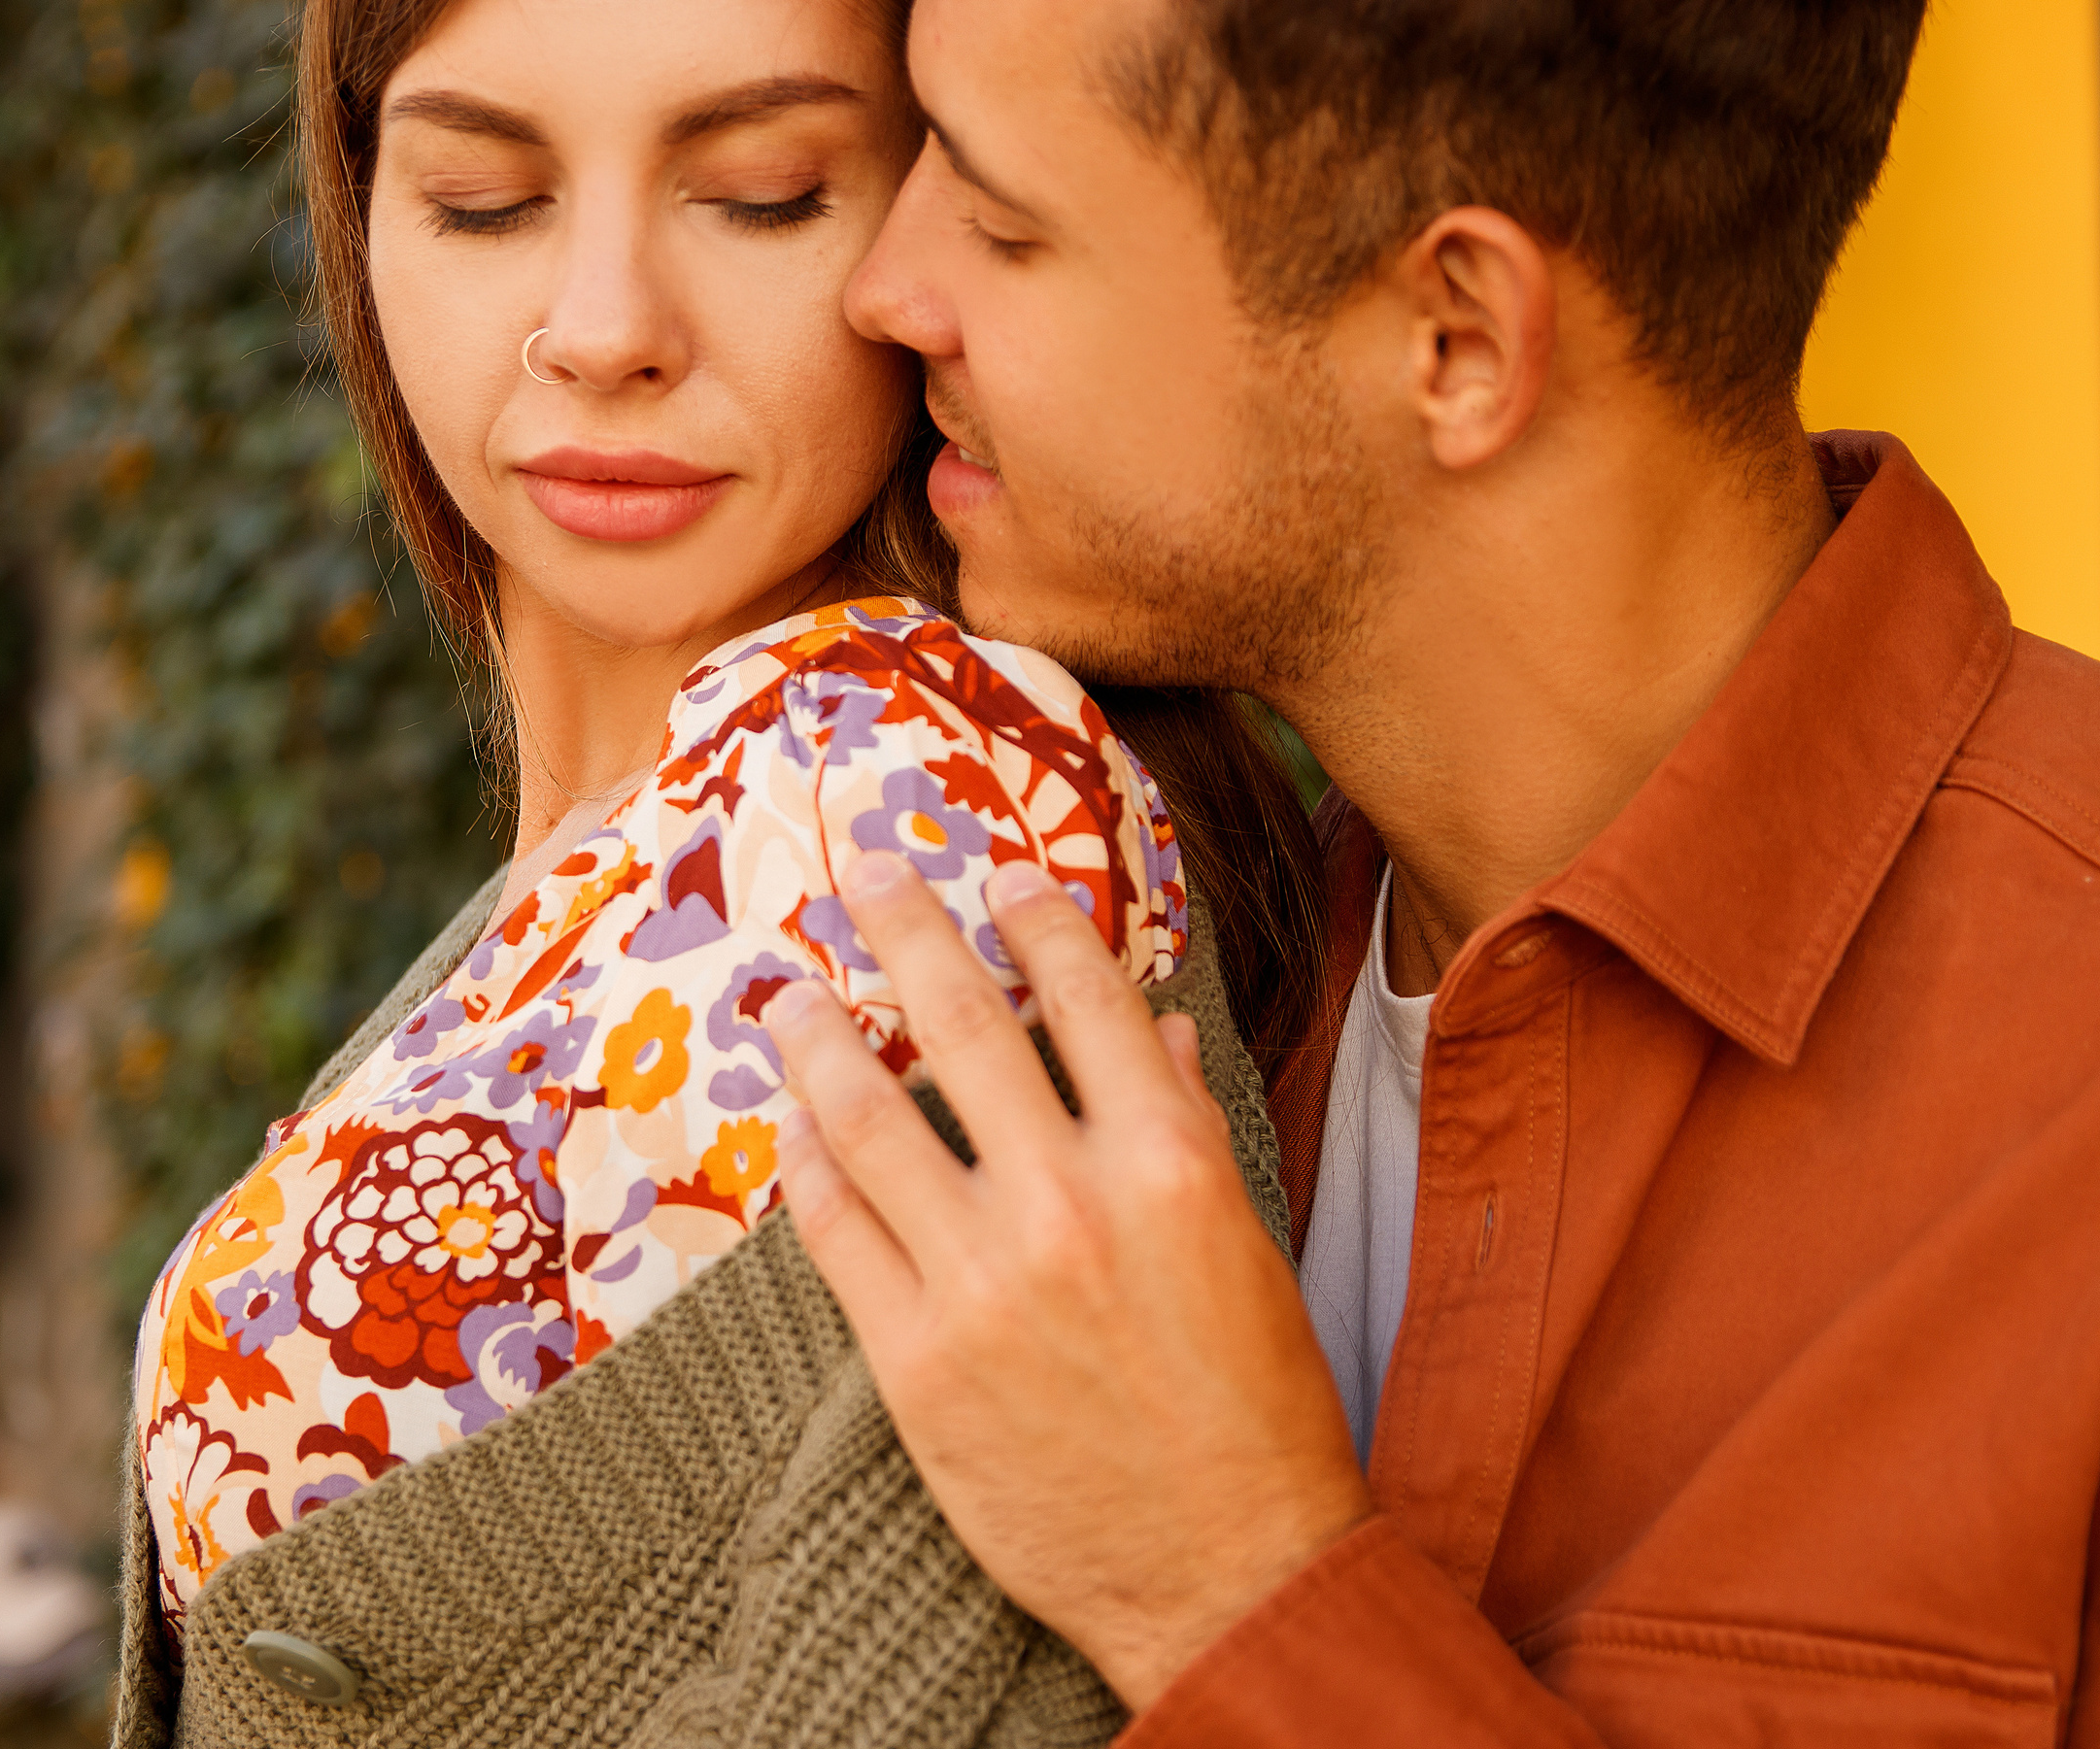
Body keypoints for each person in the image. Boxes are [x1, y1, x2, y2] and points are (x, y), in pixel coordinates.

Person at [764, 0, 2100, 1740]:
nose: (884, 288)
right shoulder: (1146, 956)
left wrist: (1229, 1587)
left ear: (1459, 341)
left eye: (1005, 223)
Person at [109, 0, 1317, 1737]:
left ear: (935, 216)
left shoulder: (892, 799)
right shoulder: (679, 823)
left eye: (762, 193)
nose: (607, 331)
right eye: (482, 199)